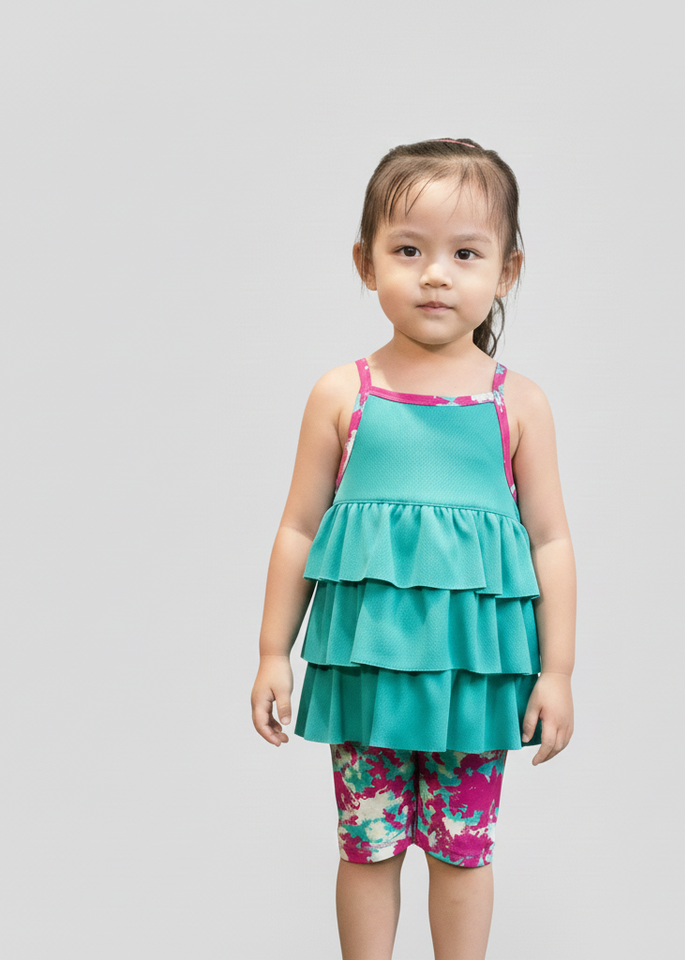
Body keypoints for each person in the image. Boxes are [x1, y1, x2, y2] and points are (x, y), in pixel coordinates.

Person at [251, 137, 576, 960]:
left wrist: (558, 673)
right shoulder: (342, 394)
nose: (436, 274)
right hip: (367, 674)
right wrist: (272, 653)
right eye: (408, 251)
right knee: (366, 846)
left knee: (463, 849)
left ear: (506, 270)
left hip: (475, 677)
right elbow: (298, 528)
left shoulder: (518, 405)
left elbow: (551, 539)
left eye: (465, 253)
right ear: (366, 262)